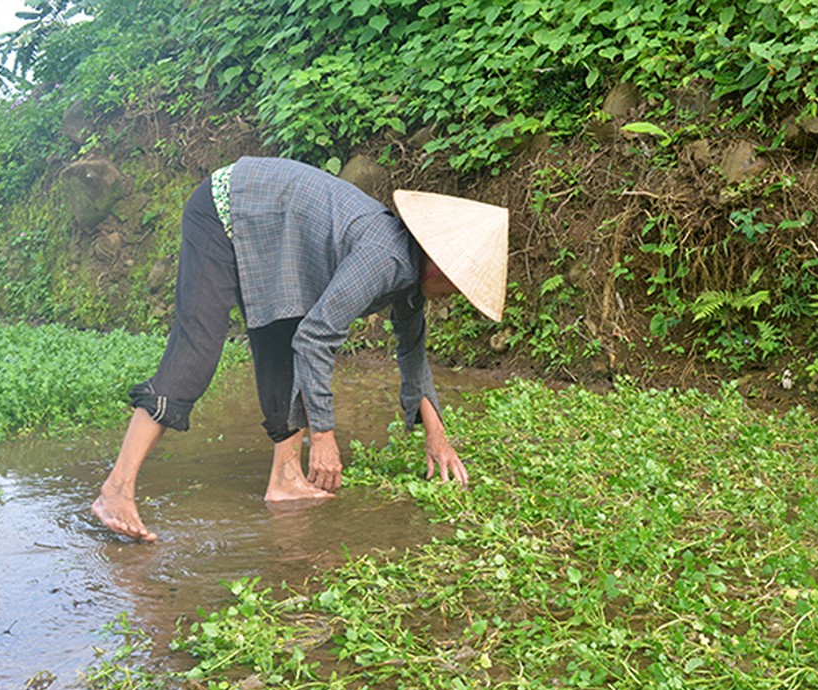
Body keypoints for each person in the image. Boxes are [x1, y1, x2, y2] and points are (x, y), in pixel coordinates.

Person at [91, 157, 509, 542]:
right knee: (196, 354)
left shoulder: (408, 275)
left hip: (277, 240)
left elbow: (411, 352)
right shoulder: (386, 257)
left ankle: (284, 478)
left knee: (284, 335)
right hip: (226, 210)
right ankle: (116, 489)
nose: (452, 296)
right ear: (439, 265)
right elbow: (318, 335)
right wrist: (323, 436)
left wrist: (436, 436)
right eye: (457, 286)